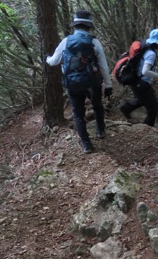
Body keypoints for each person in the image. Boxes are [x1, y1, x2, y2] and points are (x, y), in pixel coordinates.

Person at [47, 10, 113, 154]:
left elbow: (53, 62)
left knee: (78, 113)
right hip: (92, 82)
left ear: (75, 26)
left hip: (73, 83)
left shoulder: (66, 41)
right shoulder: (94, 42)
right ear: (89, 26)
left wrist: (47, 57)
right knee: (97, 106)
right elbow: (103, 66)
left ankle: (86, 144)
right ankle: (101, 131)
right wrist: (108, 84)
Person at [118, 28, 158, 126]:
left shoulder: (144, 47)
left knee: (141, 100)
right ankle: (147, 128)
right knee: (154, 108)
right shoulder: (151, 54)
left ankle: (125, 108)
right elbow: (145, 71)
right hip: (142, 83)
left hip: (135, 81)